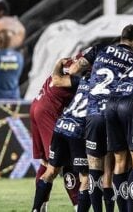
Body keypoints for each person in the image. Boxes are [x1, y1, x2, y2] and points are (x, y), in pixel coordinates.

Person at [83, 25, 133, 212]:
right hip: (117, 112)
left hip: (94, 112)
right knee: (121, 162)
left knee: (95, 168)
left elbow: (75, 68)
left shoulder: (101, 49)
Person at [30, 58, 79, 212]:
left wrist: (58, 63)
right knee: (62, 162)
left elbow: (56, 79)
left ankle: (40, 207)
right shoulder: (78, 78)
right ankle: (78, 205)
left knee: (46, 163)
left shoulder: (66, 67)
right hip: (48, 112)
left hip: (36, 107)